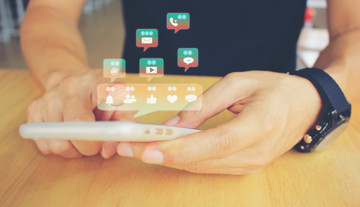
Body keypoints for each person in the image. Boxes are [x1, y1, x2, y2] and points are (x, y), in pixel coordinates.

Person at [21, 0, 360, 174]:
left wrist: (320, 91)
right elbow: (50, 10)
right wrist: (64, 76)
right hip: (129, 115)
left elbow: (353, 29)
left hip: (279, 122)